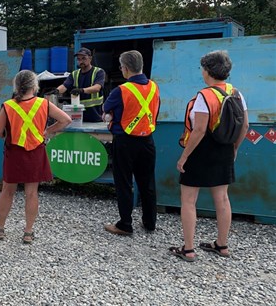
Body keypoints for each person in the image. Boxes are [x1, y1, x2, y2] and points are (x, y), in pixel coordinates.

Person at [169, 50, 249, 262]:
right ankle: (221, 245)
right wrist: (235, 148)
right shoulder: (236, 93)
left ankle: (188, 249)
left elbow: (199, 130)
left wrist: (184, 157)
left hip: (200, 151)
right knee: (222, 198)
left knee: (188, 200)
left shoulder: (205, 96)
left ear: (207, 71)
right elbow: (246, 125)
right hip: (224, 149)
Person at [0, 70, 71, 244]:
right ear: (35, 86)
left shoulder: (8, 105)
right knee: (31, 193)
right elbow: (65, 120)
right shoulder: (44, 104)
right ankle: (28, 232)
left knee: (7, 191)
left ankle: (0, 229)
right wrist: (47, 131)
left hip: (14, 153)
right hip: (35, 153)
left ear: (16, 86)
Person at [102, 50, 160, 236]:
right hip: (147, 140)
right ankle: (150, 222)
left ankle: (125, 224)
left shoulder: (121, 90)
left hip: (125, 141)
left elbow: (106, 109)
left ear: (125, 68)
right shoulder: (154, 87)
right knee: (147, 182)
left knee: (124, 182)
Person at [56, 47, 106, 122]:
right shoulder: (74, 74)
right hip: (78, 116)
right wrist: (56, 91)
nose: (81, 61)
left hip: (95, 116)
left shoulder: (98, 72)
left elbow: (97, 87)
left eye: (83, 58)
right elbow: (65, 86)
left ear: (90, 58)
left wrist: (82, 90)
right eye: (79, 59)